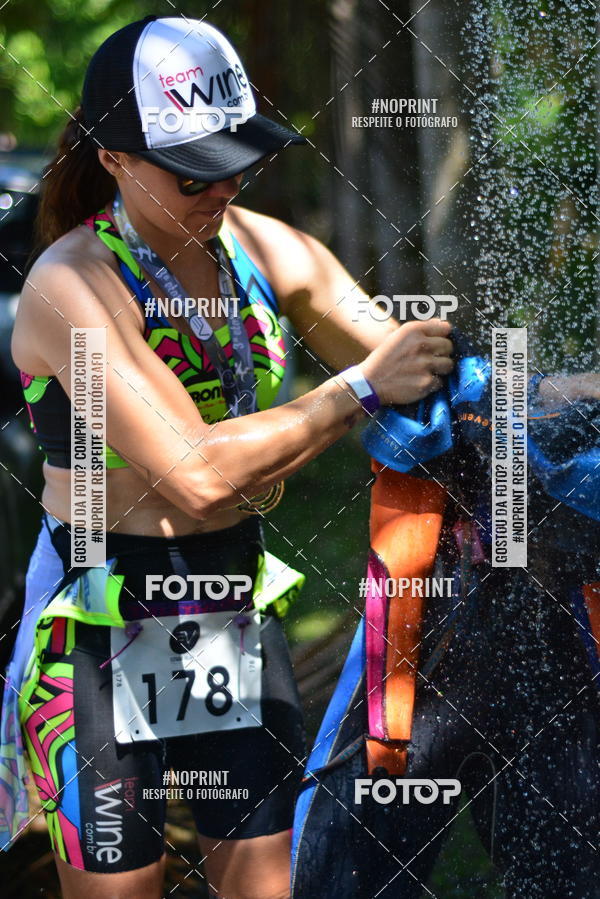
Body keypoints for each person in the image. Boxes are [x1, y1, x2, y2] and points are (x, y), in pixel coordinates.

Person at [0, 15, 453, 899]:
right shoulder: (71, 284)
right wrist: (357, 390)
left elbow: (415, 360)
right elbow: (196, 472)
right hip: (96, 626)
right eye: (194, 170)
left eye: (238, 160)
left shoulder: (265, 249)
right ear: (115, 158)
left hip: (228, 608)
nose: (225, 188)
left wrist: (540, 388)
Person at [292, 337, 600, 898]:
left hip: (550, 667)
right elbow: (409, 346)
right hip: (421, 673)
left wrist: (538, 393)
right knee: (342, 871)